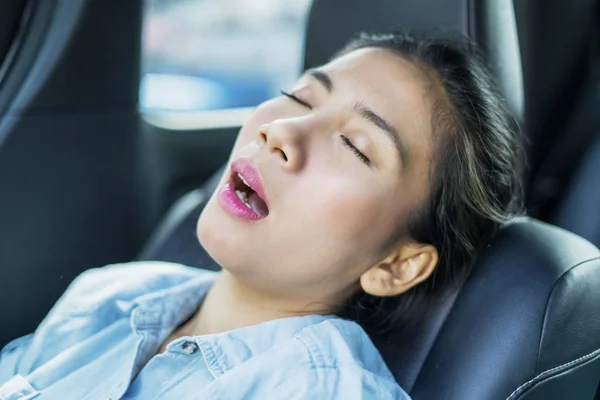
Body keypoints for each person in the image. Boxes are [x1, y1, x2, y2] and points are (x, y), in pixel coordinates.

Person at [0, 32, 524, 399]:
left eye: (355, 146)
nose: (281, 132)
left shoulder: (318, 390)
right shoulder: (109, 295)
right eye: (298, 97)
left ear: (397, 264)